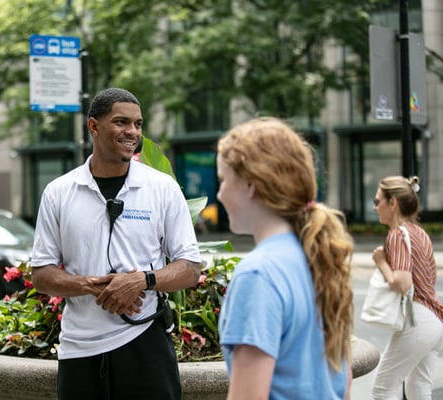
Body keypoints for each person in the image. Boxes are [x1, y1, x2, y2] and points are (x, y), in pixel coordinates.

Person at [30, 87, 202, 400]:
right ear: (93, 126)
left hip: (145, 341)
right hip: (79, 349)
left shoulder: (162, 188)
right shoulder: (58, 192)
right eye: (121, 122)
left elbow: (190, 268)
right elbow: (41, 274)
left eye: (137, 124)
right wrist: (89, 285)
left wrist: (142, 280)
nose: (132, 132)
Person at [216, 117, 354, 399]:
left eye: (223, 180)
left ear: (251, 185)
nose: (219, 194)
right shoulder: (318, 256)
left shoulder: (258, 274)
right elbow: (343, 383)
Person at [371, 175, 443, 399]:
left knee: (383, 388)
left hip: (417, 320)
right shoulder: (420, 233)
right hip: (435, 320)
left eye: (377, 201)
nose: (375, 208)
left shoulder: (397, 235)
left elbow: (402, 283)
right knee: (418, 387)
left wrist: (381, 262)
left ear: (392, 203)